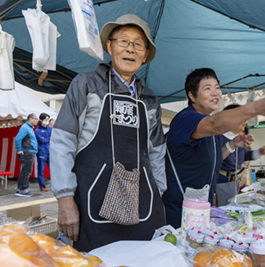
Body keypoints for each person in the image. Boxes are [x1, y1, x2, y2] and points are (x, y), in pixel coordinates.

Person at [50, 15, 166, 251]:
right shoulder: (86, 85)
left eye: (138, 44)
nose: (130, 49)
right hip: (91, 201)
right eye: (123, 41)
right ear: (109, 46)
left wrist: (158, 194)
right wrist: (64, 198)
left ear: (145, 56)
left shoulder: (150, 99)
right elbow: (62, 142)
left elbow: (156, 153)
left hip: (142, 204)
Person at [162, 68, 265, 228]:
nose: (215, 93)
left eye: (217, 87)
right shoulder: (186, 118)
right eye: (207, 88)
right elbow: (215, 123)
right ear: (191, 95)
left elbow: (215, 160)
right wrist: (254, 108)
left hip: (200, 211)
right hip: (179, 213)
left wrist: (232, 145)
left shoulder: (209, 129)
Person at [218, 104, 265, 191]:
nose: (245, 121)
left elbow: (244, 155)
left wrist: (259, 152)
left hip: (236, 181)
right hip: (221, 181)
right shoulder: (217, 137)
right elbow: (212, 159)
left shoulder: (239, 137)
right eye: (242, 117)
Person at [15, 113, 38, 197]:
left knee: (25, 170)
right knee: (27, 171)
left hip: (29, 151)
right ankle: (23, 189)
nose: (37, 120)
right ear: (30, 119)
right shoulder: (25, 127)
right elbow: (17, 138)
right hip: (27, 151)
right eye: (35, 119)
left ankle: (20, 189)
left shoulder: (29, 128)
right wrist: (19, 150)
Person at [35, 113, 52, 191]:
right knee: (41, 169)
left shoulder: (50, 129)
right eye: (45, 119)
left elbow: (52, 138)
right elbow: (41, 140)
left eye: (48, 119)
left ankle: (55, 184)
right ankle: (42, 185)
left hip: (50, 151)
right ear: (41, 120)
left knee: (53, 168)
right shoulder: (37, 130)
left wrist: (46, 138)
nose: (47, 121)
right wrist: (49, 137)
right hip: (42, 152)